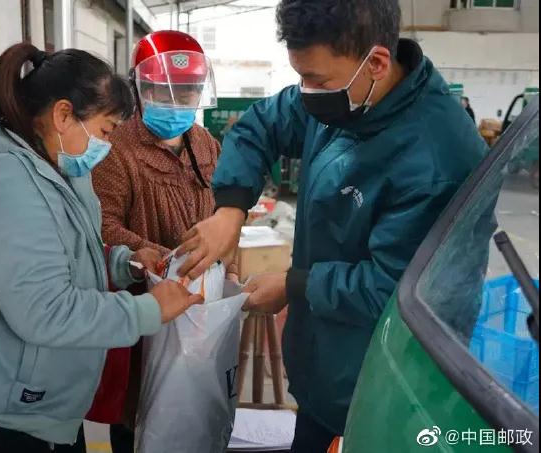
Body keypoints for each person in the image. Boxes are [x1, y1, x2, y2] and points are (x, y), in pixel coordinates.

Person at [174, 0, 488, 451]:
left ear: (376, 62)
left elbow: (394, 292)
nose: (306, 92)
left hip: (384, 381)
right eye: (300, 76)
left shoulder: (437, 160)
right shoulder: (343, 97)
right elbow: (259, 126)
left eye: (317, 80)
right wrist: (230, 210)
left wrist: (294, 285)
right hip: (324, 366)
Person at [0, 43, 203, 453]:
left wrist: (124, 263)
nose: (106, 146)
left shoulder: (55, 164)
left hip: (40, 396)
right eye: (106, 131)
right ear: (63, 115)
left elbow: (62, 251)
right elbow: (43, 309)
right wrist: (149, 309)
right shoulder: (5, 180)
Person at [91, 30, 233, 451]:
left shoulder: (205, 143)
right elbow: (102, 224)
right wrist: (162, 259)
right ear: (139, 89)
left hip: (199, 303)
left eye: (188, 91)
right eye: (163, 91)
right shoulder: (115, 146)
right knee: (142, 409)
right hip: (144, 306)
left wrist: (223, 256)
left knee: (194, 401)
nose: (177, 101)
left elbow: (224, 210)